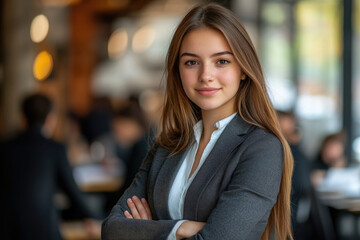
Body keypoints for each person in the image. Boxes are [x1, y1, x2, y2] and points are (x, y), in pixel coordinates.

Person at [102, 3, 293, 240]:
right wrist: (180, 229)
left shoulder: (261, 148)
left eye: (221, 61)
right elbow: (112, 229)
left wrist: (147, 231)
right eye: (192, 62)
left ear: (243, 68)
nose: (205, 76)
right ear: (178, 70)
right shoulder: (168, 144)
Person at [0, 93, 98, 240]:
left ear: (23, 118)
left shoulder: (5, 148)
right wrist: (98, 219)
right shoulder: (54, 149)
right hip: (43, 231)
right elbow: (72, 192)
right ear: (51, 119)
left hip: (7, 229)